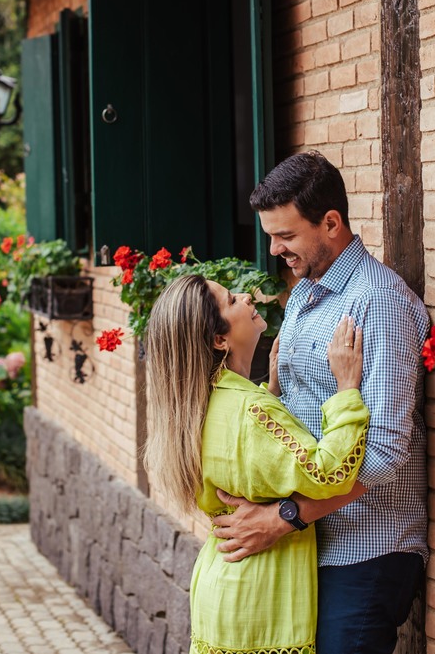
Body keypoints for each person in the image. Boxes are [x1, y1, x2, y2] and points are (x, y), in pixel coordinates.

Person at [211, 151, 430, 654]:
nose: (274, 250)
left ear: (331, 223)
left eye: (285, 236)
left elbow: (383, 455)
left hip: (366, 548)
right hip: (309, 542)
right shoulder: (306, 294)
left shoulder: (378, 302)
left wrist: (281, 517)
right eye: (271, 236)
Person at [144, 272, 369, 654]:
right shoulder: (252, 411)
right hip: (259, 601)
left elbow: (247, 452)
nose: (246, 296)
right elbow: (330, 474)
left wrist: (272, 392)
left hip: (223, 586)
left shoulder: (199, 406)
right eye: (231, 300)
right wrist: (347, 390)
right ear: (219, 340)